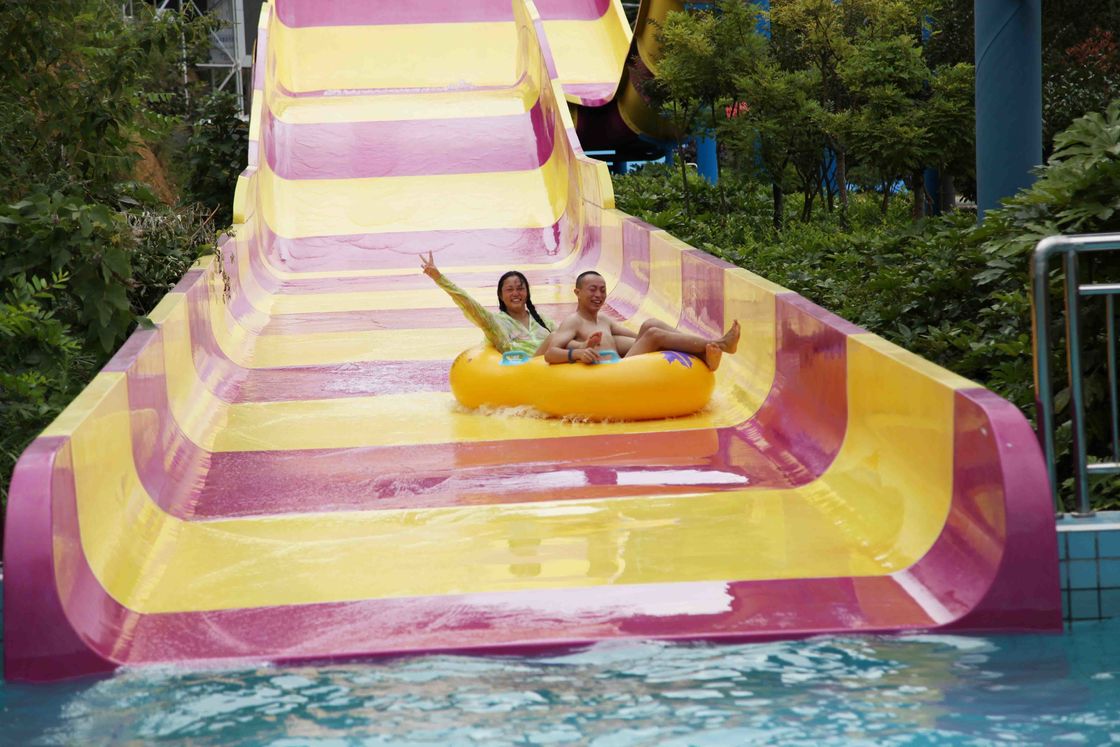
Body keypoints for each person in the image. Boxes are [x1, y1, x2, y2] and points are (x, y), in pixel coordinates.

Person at [543, 270, 740, 371]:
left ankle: (704, 354)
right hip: (610, 373)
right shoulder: (573, 321)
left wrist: (661, 341)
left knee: (650, 325)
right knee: (654, 335)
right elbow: (551, 353)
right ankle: (721, 344)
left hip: (621, 366)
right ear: (577, 293)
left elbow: (639, 337)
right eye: (592, 290)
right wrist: (578, 353)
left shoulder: (603, 320)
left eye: (602, 290)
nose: (598, 295)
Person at [420, 251, 561, 356]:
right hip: (524, 372)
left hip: (550, 372)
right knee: (555, 336)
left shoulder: (542, 320)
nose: (515, 293)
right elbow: (469, 305)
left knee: (568, 327)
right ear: (501, 295)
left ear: (527, 292)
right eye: (510, 290)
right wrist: (439, 278)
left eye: (520, 289)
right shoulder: (496, 323)